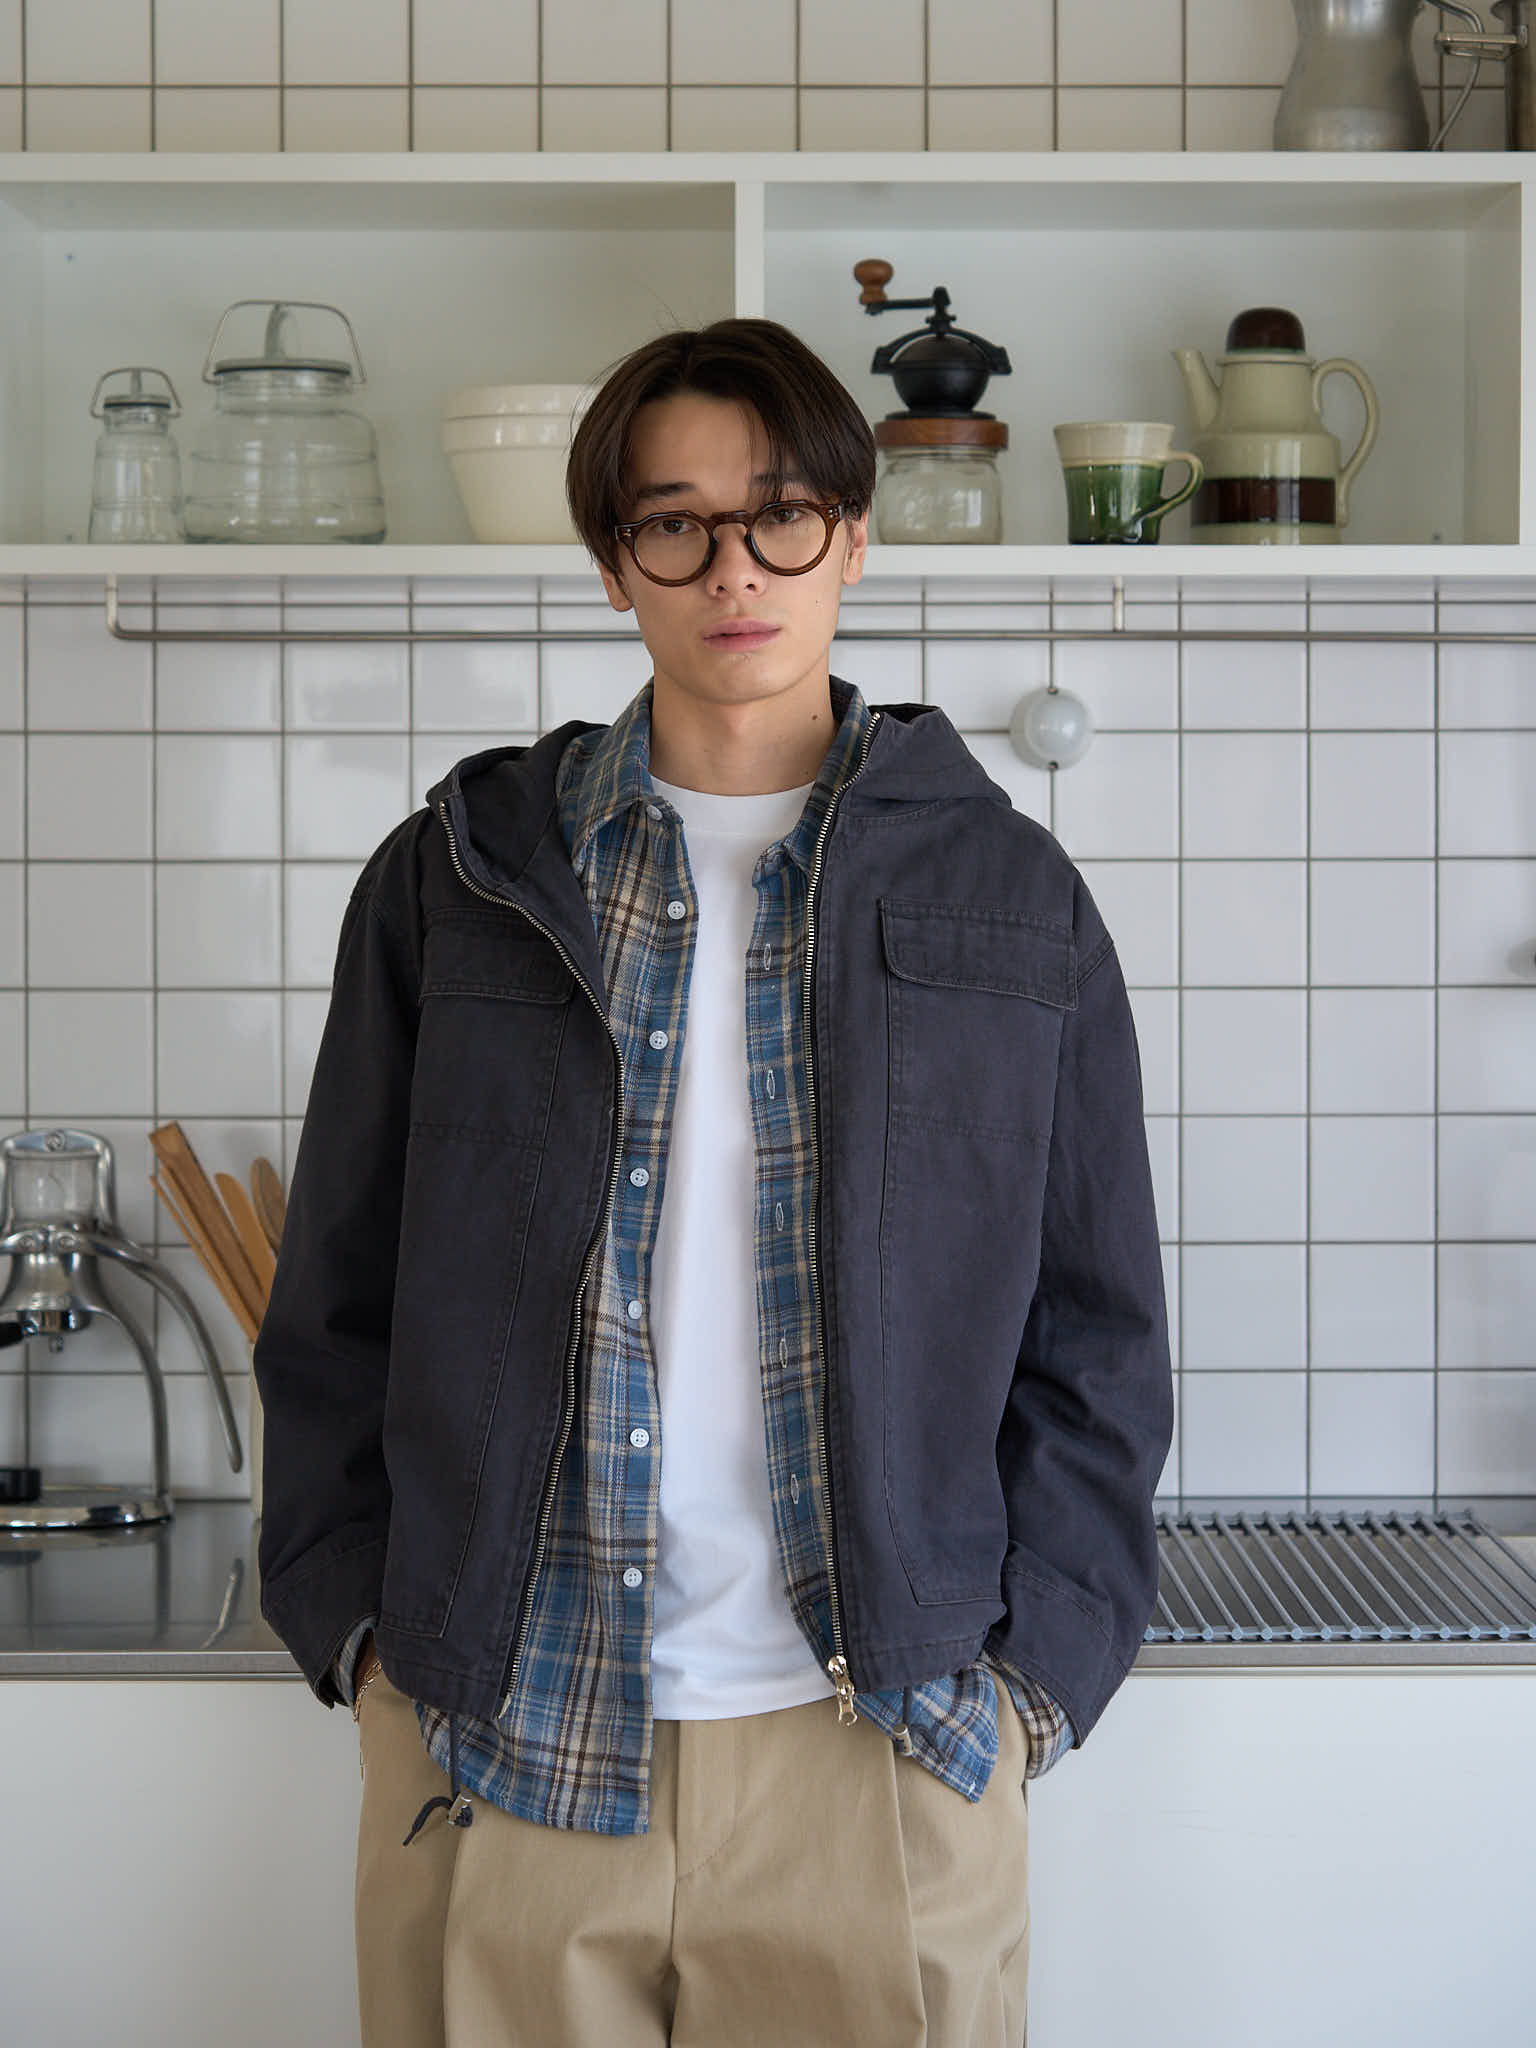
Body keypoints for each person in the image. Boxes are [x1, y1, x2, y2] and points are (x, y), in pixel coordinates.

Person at [254, 316, 1173, 2048]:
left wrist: (1028, 1688)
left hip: (883, 1750)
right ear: (615, 565)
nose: (733, 568)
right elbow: (336, 1304)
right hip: (503, 1738)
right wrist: (365, 1637)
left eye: (781, 514)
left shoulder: (1010, 898)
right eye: (674, 524)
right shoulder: (458, 878)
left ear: (854, 536)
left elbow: (1099, 1335)